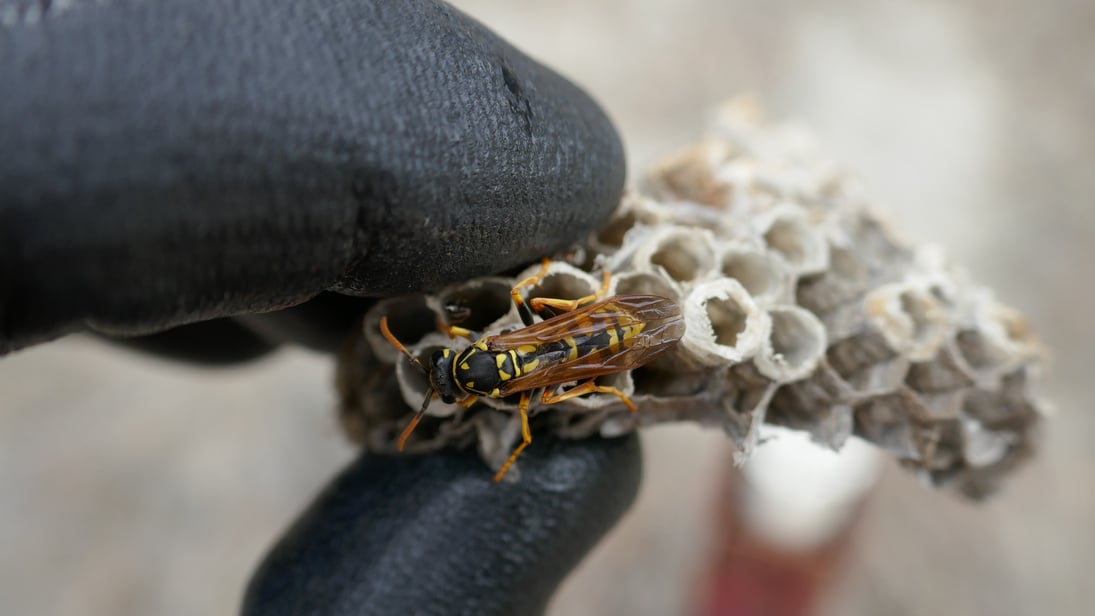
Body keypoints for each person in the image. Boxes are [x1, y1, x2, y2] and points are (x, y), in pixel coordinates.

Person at [1, 1, 638, 614]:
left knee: (555, 362)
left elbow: (525, 396)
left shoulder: (492, 366)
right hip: (590, 336)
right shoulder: (497, 357)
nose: (451, 364)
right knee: (561, 349)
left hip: (578, 346)